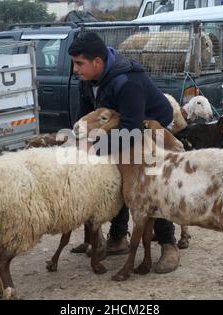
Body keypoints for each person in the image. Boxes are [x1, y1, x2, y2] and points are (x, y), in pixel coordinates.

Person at [68, 32, 180, 273]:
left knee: (153, 183)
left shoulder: (128, 81)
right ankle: (118, 237)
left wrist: (96, 149)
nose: (75, 69)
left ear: (97, 62)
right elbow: (84, 116)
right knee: (117, 178)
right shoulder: (88, 81)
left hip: (151, 127)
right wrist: (81, 142)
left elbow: (133, 129)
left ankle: (168, 243)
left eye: (79, 64)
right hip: (121, 127)